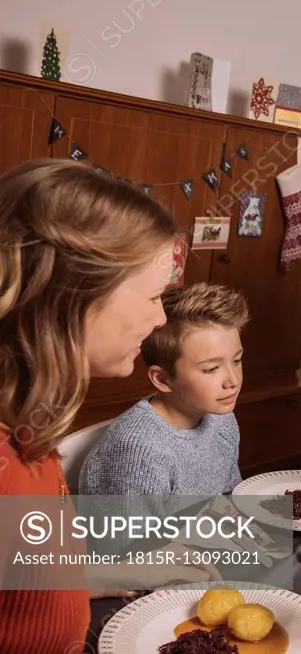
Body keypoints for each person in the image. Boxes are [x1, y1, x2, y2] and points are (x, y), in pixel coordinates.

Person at [0, 159, 217, 654]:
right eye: (153, 297)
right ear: (73, 297)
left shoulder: (30, 425)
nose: (160, 317)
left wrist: (127, 569)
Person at [80, 283, 248, 496]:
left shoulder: (221, 419)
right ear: (163, 380)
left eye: (237, 360)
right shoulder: (137, 453)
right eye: (211, 369)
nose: (232, 380)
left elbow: (230, 500)